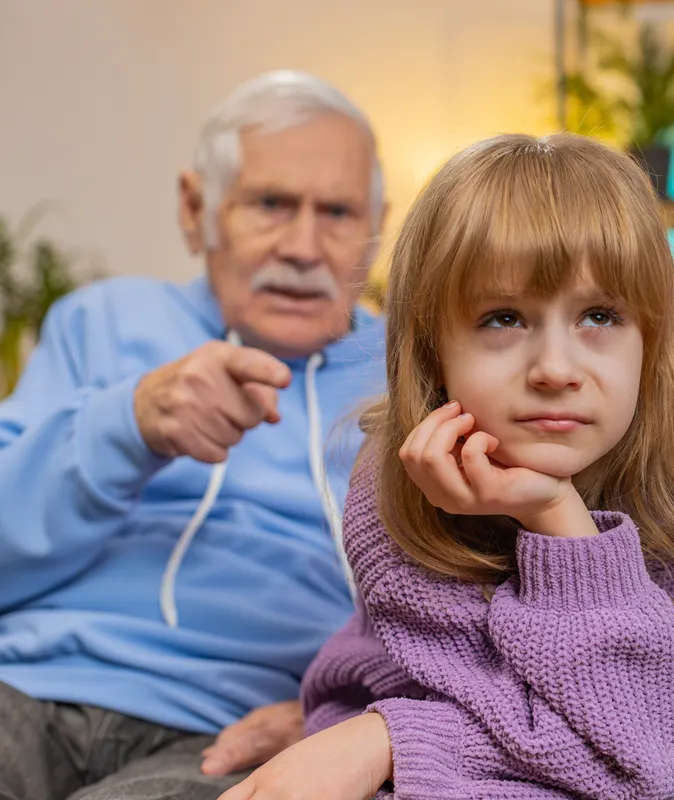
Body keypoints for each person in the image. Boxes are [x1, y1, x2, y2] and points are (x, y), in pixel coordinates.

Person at [216, 132, 674, 800]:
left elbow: (643, 758)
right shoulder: (399, 483)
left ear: (650, 340)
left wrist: (555, 517)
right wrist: (388, 739)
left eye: (599, 316)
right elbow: (467, 711)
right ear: (432, 349)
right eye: (504, 319)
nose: (555, 370)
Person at [0, 70, 388, 800]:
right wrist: (128, 423)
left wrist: (342, 712)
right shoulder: (100, 320)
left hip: (234, 732)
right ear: (195, 208)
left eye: (337, 213)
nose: (304, 247)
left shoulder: (413, 370)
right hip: (25, 684)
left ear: (376, 230)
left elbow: (475, 604)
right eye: (271, 204)